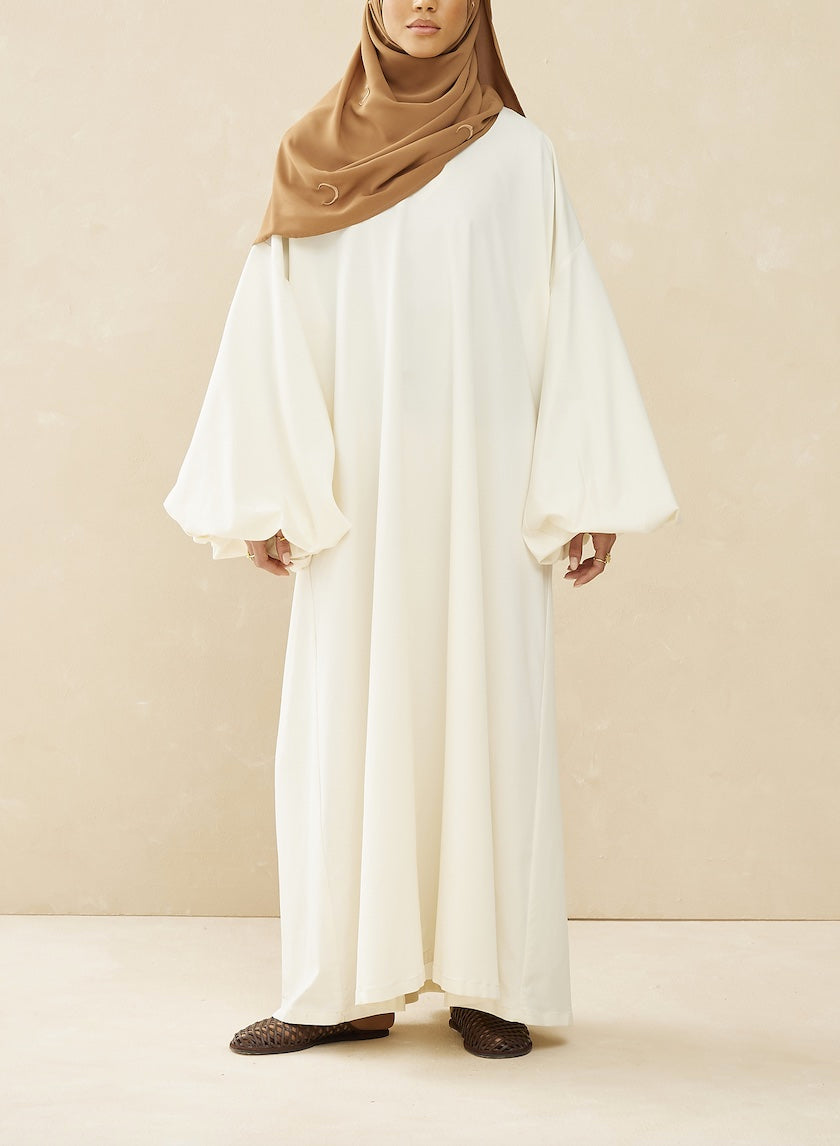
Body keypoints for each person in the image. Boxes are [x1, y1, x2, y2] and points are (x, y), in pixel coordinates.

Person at [163, 0, 679, 1060]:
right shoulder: (312, 155)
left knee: (489, 718)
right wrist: (269, 487)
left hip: (486, 497)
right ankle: (340, 992)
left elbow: (567, 314)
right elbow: (272, 320)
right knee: (347, 725)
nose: (423, 5)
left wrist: (585, 490)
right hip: (357, 501)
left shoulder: (519, 157)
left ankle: (491, 986)